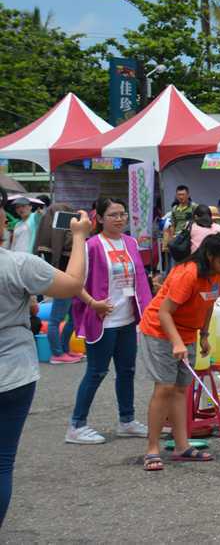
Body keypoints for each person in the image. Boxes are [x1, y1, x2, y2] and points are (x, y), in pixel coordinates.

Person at [0, 191, 89, 527]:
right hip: (12, 374)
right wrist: (79, 237)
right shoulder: (17, 264)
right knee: (2, 461)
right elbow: (72, 283)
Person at [139, 232, 220, 470]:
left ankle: (181, 446)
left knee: (181, 389)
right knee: (164, 387)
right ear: (209, 255)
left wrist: (203, 335)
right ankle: (152, 448)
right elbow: (164, 312)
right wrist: (176, 342)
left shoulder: (217, 275)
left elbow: (209, 304)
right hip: (160, 331)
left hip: (187, 333)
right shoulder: (188, 273)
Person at [65, 198, 153, 444]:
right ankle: (76, 425)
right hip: (102, 319)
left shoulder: (131, 243)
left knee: (127, 371)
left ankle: (127, 421)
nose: (119, 219)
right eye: (113, 214)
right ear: (100, 218)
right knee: (96, 371)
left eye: (123, 214)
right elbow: (74, 282)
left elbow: (140, 281)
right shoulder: (90, 245)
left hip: (127, 320)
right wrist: (93, 303)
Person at [34, 202, 82, 364]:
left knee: (73, 318)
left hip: (72, 282)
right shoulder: (50, 239)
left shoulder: (66, 234)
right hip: (61, 283)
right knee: (56, 319)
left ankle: (65, 350)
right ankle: (57, 354)